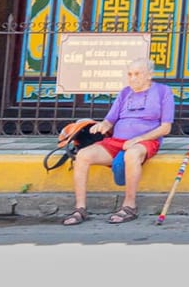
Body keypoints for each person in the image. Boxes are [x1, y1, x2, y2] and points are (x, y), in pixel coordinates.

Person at [62, 57, 175, 225]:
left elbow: (165, 128)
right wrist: (101, 125)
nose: (132, 78)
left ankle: (129, 206)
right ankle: (80, 209)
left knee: (132, 154)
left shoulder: (163, 92)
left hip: (145, 141)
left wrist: (138, 139)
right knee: (83, 155)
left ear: (149, 75)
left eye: (137, 74)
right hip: (116, 141)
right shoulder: (124, 92)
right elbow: (110, 120)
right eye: (129, 74)